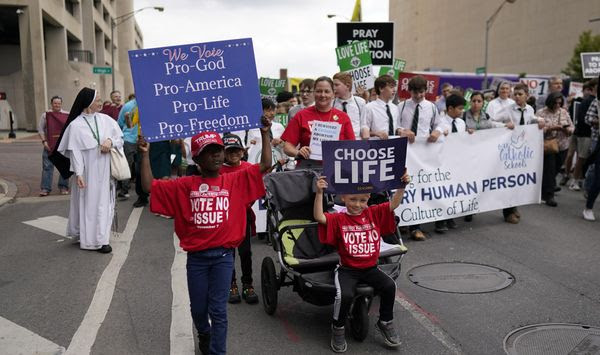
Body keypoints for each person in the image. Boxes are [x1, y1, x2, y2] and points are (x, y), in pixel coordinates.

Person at [139, 117, 273, 355]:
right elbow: (150, 187)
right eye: (208, 152)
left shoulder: (235, 180)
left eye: (218, 150)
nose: (216, 156)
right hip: (197, 259)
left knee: (219, 310)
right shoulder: (184, 184)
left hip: (223, 257)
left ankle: (217, 351)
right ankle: (203, 332)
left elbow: (265, 164)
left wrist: (265, 133)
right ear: (197, 159)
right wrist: (145, 155)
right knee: (199, 309)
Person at [313, 171, 410, 352]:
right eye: (353, 200)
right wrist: (319, 193)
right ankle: (338, 327)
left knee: (390, 286)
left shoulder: (374, 213)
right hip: (347, 270)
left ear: (368, 199)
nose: (357, 204)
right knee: (345, 296)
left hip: (370, 268)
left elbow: (393, 203)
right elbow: (319, 217)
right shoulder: (339, 218)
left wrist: (402, 187)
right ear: (344, 198)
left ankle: (385, 321)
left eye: (362, 200)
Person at [51, 87, 124, 253]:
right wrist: (79, 174)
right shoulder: (76, 126)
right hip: (87, 173)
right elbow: (74, 151)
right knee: (89, 205)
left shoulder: (106, 120)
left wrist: (110, 142)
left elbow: (120, 138)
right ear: (88, 103)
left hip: (105, 170)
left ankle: (102, 239)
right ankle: (91, 240)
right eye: (97, 100)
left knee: (105, 204)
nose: (100, 102)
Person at [396, 75, 445, 241]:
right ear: (410, 91)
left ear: (426, 91)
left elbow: (439, 123)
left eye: (422, 92)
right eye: (416, 93)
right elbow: (394, 126)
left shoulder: (431, 107)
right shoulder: (402, 106)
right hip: (407, 151)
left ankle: (416, 226)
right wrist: (403, 131)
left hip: (424, 152)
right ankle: (403, 221)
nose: (419, 96)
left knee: (421, 186)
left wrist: (437, 131)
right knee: (405, 185)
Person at [281, 76, 355, 169]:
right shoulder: (301, 115)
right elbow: (287, 147)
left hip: (336, 168)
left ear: (333, 94)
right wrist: (298, 152)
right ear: (314, 93)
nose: (323, 95)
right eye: (319, 91)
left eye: (327, 91)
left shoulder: (343, 117)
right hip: (307, 168)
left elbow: (352, 147)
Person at [219, 134, 259, 305]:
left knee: (245, 252)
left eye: (236, 150)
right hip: (224, 219)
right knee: (228, 253)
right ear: (223, 153)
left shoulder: (249, 167)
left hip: (243, 218)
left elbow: (256, 190)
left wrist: (245, 203)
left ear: (242, 152)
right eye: (229, 151)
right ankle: (231, 284)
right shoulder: (218, 170)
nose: (233, 154)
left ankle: (248, 284)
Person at [434, 94, 467, 233]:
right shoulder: (441, 123)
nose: (462, 111)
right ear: (450, 108)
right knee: (442, 191)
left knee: (453, 190)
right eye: (459, 108)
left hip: (456, 160)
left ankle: (450, 216)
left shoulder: (461, 123)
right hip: (442, 161)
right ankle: (439, 220)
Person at [536, 92, 573, 207]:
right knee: (550, 170)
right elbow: (536, 129)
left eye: (559, 103)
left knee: (555, 170)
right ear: (550, 102)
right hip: (548, 145)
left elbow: (571, 126)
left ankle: (543, 190)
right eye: (555, 103)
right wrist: (553, 128)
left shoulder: (564, 112)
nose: (557, 105)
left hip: (563, 145)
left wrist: (568, 130)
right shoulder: (541, 113)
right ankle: (549, 196)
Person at [565, 79, 597, 191]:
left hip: (577, 131)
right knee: (581, 158)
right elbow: (587, 119)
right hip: (585, 134)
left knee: (571, 155)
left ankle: (567, 175)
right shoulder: (592, 101)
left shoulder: (584, 100)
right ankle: (574, 181)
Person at [38, 95, 70, 196]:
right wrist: (44, 142)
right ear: (51, 104)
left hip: (63, 145)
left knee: (64, 166)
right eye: (55, 103)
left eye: (59, 103)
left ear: (61, 104)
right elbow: (40, 129)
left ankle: (63, 187)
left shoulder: (67, 114)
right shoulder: (45, 115)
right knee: (47, 167)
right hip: (49, 145)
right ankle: (45, 189)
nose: (57, 105)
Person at [360, 75, 400, 140]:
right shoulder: (369, 107)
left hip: (394, 145)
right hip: (377, 146)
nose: (394, 90)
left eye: (394, 87)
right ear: (381, 89)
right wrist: (376, 133)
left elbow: (397, 127)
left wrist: (401, 131)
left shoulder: (395, 108)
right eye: (391, 87)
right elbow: (363, 131)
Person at [583, 79, 600, 221]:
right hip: (597, 139)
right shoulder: (597, 102)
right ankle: (588, 207)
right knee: (597, 174)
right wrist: (597, 121)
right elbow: (587, 118)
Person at [332, 72, 367, 139]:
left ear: (347, 86)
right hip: (338, 142)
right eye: (333, 85)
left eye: (336, 85)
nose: (334, 88)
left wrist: (365, 130)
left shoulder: (360, 102)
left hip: (356, 142)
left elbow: (363, 123)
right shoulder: (331, 104)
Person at [116, 96, 138, 200]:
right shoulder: (128, 106)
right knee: (127, 165)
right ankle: (124, 190)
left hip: (141, 139)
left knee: (136, 166)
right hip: (129, 139)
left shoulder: (149, 103)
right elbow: (119, 123)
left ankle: (126, 189)